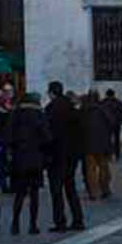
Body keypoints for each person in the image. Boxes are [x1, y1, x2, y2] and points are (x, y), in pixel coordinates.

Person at [43, 80, 85, 232]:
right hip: (72, 154)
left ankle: (60, 221)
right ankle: (78, 219)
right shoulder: (72, 109)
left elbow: (47, 134)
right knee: (70, 186)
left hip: (56, 154)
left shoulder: (50, 109)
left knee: (56, 190)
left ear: (51, 93)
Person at [7, 92, 50, 234]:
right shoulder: (39, 115)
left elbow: (9, 137)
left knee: (19, 193)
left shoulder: (15, 115)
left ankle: (15, 223)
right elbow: (46, 137)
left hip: (19, 158)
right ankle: (33, 224)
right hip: (35, 158)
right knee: (34, 193)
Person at [79, 90, 113, 200]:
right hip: (103, 144)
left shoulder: (83, 111)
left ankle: (93, 192)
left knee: (90, 169)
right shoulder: (103, 109)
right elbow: (112, 123)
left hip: (87, 144)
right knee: (103, 167)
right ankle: (105, 189)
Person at [102, 88, 122, 161]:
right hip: (117, 124)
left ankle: (108, 155)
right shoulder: (118, 102)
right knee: (116, 140)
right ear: (114, 94)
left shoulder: (103, 102)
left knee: (107, 140)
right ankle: (117, 155)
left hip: (106, 125)